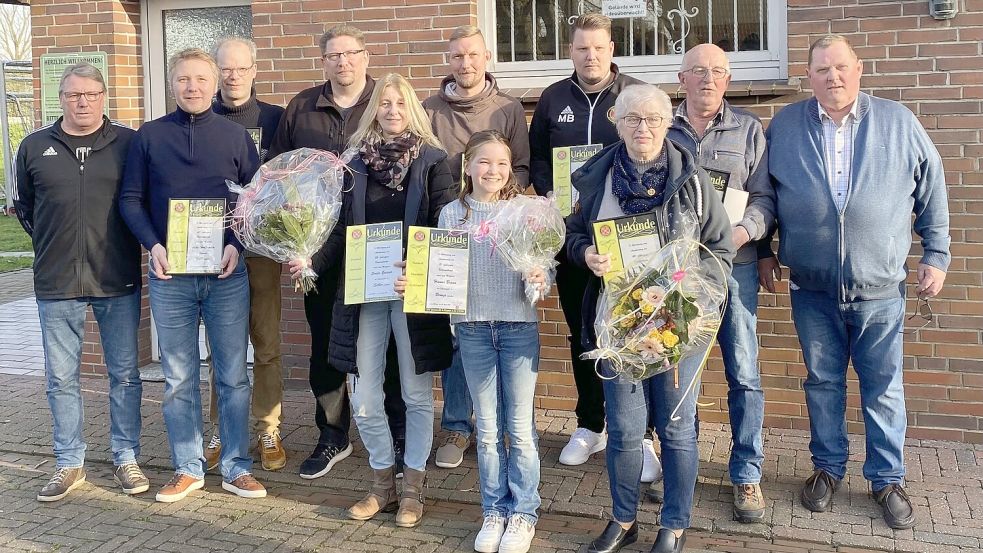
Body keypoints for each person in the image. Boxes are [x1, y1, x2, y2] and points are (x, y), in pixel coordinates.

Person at [764, 35, 950, 530]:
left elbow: (931, 184)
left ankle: (887, 478)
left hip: (880, 290)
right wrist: (763, 251)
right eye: (822, 69)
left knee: (883, 387)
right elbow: (763, 196)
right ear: (808, 76)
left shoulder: (897, 121)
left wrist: (937, 252)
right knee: (822, 384)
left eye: (841, 67)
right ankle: (827, 469)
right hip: (813, 289)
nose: (833, 77)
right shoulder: (785, 127)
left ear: (859, 68)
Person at [566, 84, 734, 553]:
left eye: (654, 119)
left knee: (677, 428)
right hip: (618, 328)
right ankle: (624, 520)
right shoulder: (597, 178)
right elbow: (574, 233)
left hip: (680, 328)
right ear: (617, 122)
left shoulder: (694, 182)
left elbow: (720, 250)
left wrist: (694, 298)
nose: (644, 128)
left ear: (667, 122)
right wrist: (587, 256)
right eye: (633, 119)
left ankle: (674, 524)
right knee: (622, 428)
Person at [290, 73, 454, 528]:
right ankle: (382, 484)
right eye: (385, 103)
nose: (393, 110)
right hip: (363, 293)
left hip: (410, 294)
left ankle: (413, 490)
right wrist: (310, 261)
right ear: (374, 110)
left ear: (413, 109)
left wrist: (417, 272)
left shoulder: (434, 160)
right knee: (363, 396)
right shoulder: (353, 164)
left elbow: (444, 228)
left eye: (401, 103)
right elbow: (340, 231)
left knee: (417, 395)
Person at [120, 48, 266, 503]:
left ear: (215, 82)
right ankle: (188, 467)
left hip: (225, 276)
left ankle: (237, 466)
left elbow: (255, 201)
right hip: (171, 277)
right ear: (173, 84)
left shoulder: (236, 137)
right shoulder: (148, 136)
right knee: (179, 377)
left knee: (233, 376)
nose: (193, 87)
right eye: (184, 79)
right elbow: (130, 199)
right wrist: (154, 245)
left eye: (201, 78)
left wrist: (236, 247)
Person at [269, 26, 407, 480]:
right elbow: (276, 174)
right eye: (333, 55)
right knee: (326, 341)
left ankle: (395, 431)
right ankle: (332, 434)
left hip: (377, 246)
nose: (342, 62)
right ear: (323, 61)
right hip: (319, 248)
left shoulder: (386, 101)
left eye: (351, 53)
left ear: (366, 57)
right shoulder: (302, 107)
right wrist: (294, 233)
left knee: (385, 340)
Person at [529, 14, 661, 479]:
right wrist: (550, 199)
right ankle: (590, 425)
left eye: (599, 48)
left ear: (611, 49)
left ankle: (643, 437)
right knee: (583, 332)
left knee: (635, 331)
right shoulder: (552, 99)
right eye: (582, 48)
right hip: (574, 240)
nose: (591, 56)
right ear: (572, 51)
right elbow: (539, 162)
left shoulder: (632, 96)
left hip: (626, 242)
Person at [14, 63, 147, 502]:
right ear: (61, 98)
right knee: (61, 377)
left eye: (91, 94)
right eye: (74, 95)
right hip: (56, 281)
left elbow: (140, 201)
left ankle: (126, 456)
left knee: (125, 375)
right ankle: (69, 462)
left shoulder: (128, 143)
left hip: (117, 276)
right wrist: (57, 246)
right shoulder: (34, 146)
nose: (83, 102)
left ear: (104, 96)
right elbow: (27, 210)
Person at [667, 43, 773, 522]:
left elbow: (767, 198)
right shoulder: (660, 127)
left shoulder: (749, 131)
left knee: (744, 372)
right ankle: (678, 468)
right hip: (678, 273)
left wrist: (743, 230)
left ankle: (746, 474)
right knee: (676, 374)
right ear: (681, 79)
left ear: (727, 80)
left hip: (736, 267)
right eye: (697, 71)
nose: (707, 80)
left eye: (716, 72)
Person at [428, 130, 547, 553]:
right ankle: (494, 511)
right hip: (474, 329)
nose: (493, 171)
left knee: (519, 427)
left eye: (501, 163)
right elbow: (442, 274)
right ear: (468, 167)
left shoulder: (523, 212)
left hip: (517, 327)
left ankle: (524, 513)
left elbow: (542, 270)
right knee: (489, 430)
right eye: (484, 162)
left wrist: (539, 278)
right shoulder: (450, 216)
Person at [422, 24, 531, 470]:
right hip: (449, 226)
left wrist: (507, 214)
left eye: (472, 56)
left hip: (500, 229)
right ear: (448, 60)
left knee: (501, 326)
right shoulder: (430, 109)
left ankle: (506, 428)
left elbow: (521, 166)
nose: (464, 64)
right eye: (456, 56)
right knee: (458, 324)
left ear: (486, 58)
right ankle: (455, 425)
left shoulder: (507, 107)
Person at [204, 36, 287, 472]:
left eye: (241, 68)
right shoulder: (202, 116)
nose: (233, 76)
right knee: (223, 348)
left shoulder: (275, 119)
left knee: (267, 344)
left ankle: (268, 428)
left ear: (255, 70)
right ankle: (222, 429)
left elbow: (293, 180)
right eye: (226, 69)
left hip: (262, 250)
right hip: (216, 250)